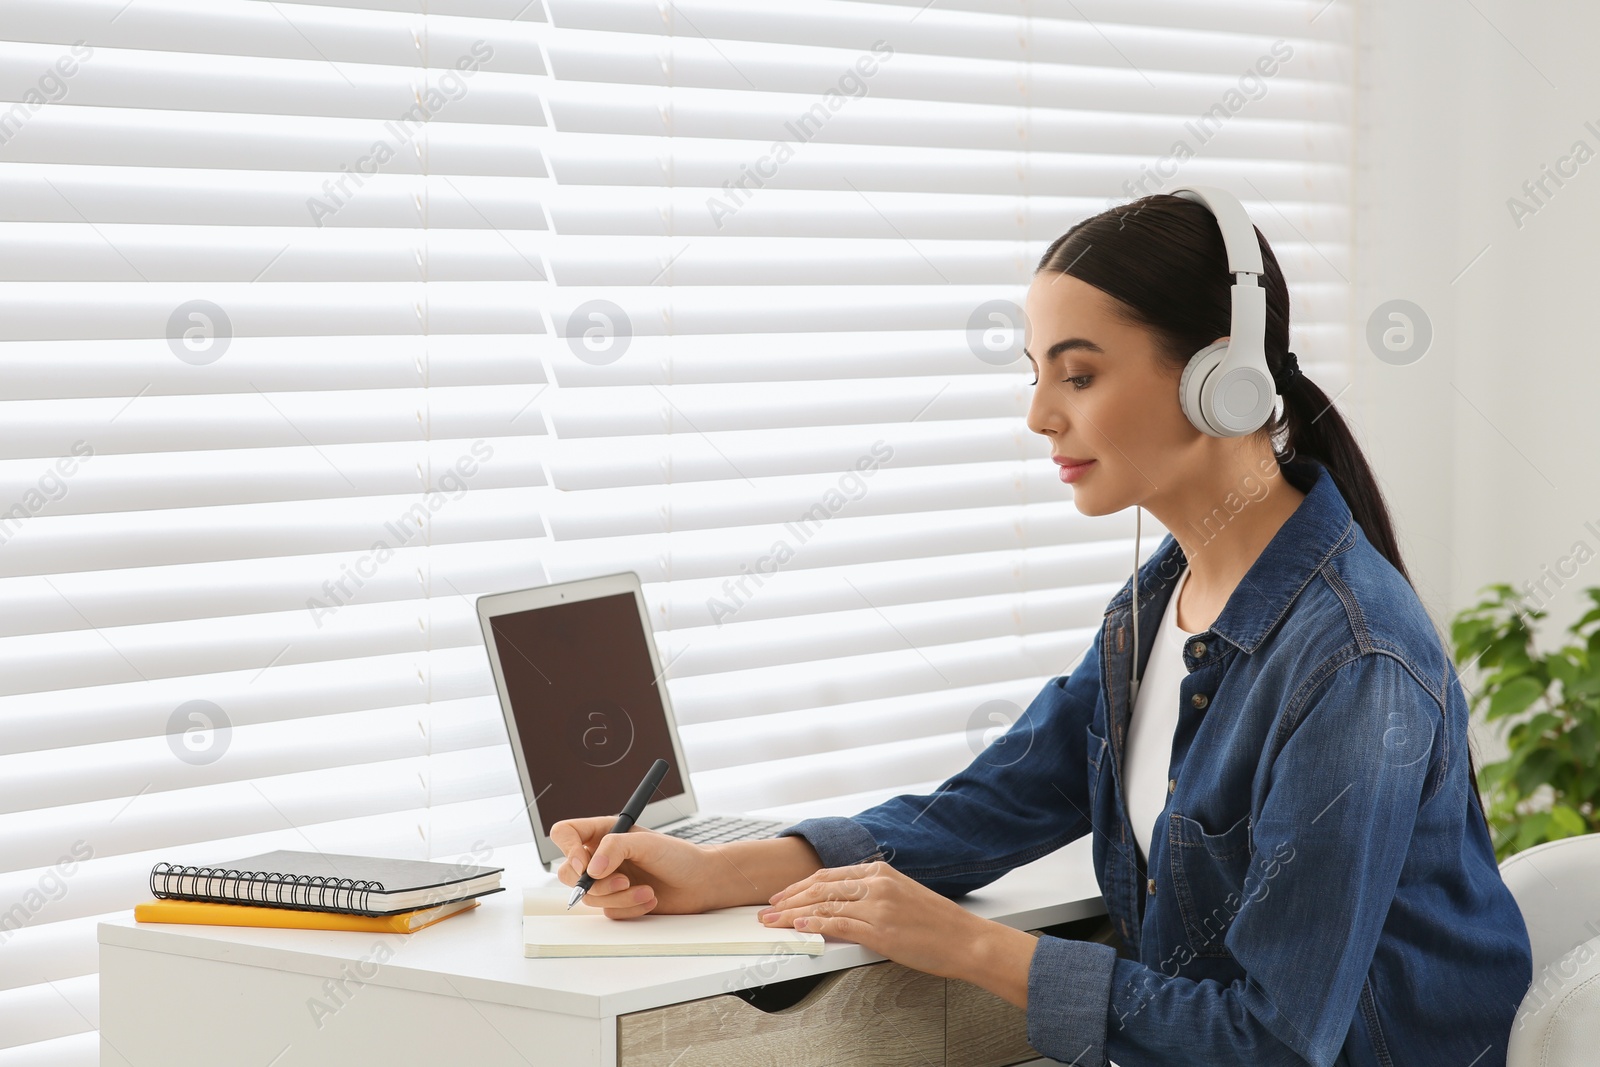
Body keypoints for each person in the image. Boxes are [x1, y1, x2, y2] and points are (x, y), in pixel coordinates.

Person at [550, 193, 1533, 1067]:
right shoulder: (1154, 612)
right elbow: (992, 801)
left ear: (1217, 380)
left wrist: (973, 946)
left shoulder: (1352, 661)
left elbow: (1273, 1038)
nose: (1036, 415)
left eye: (1078, 375)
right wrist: (720, 869)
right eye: (1035, 373)